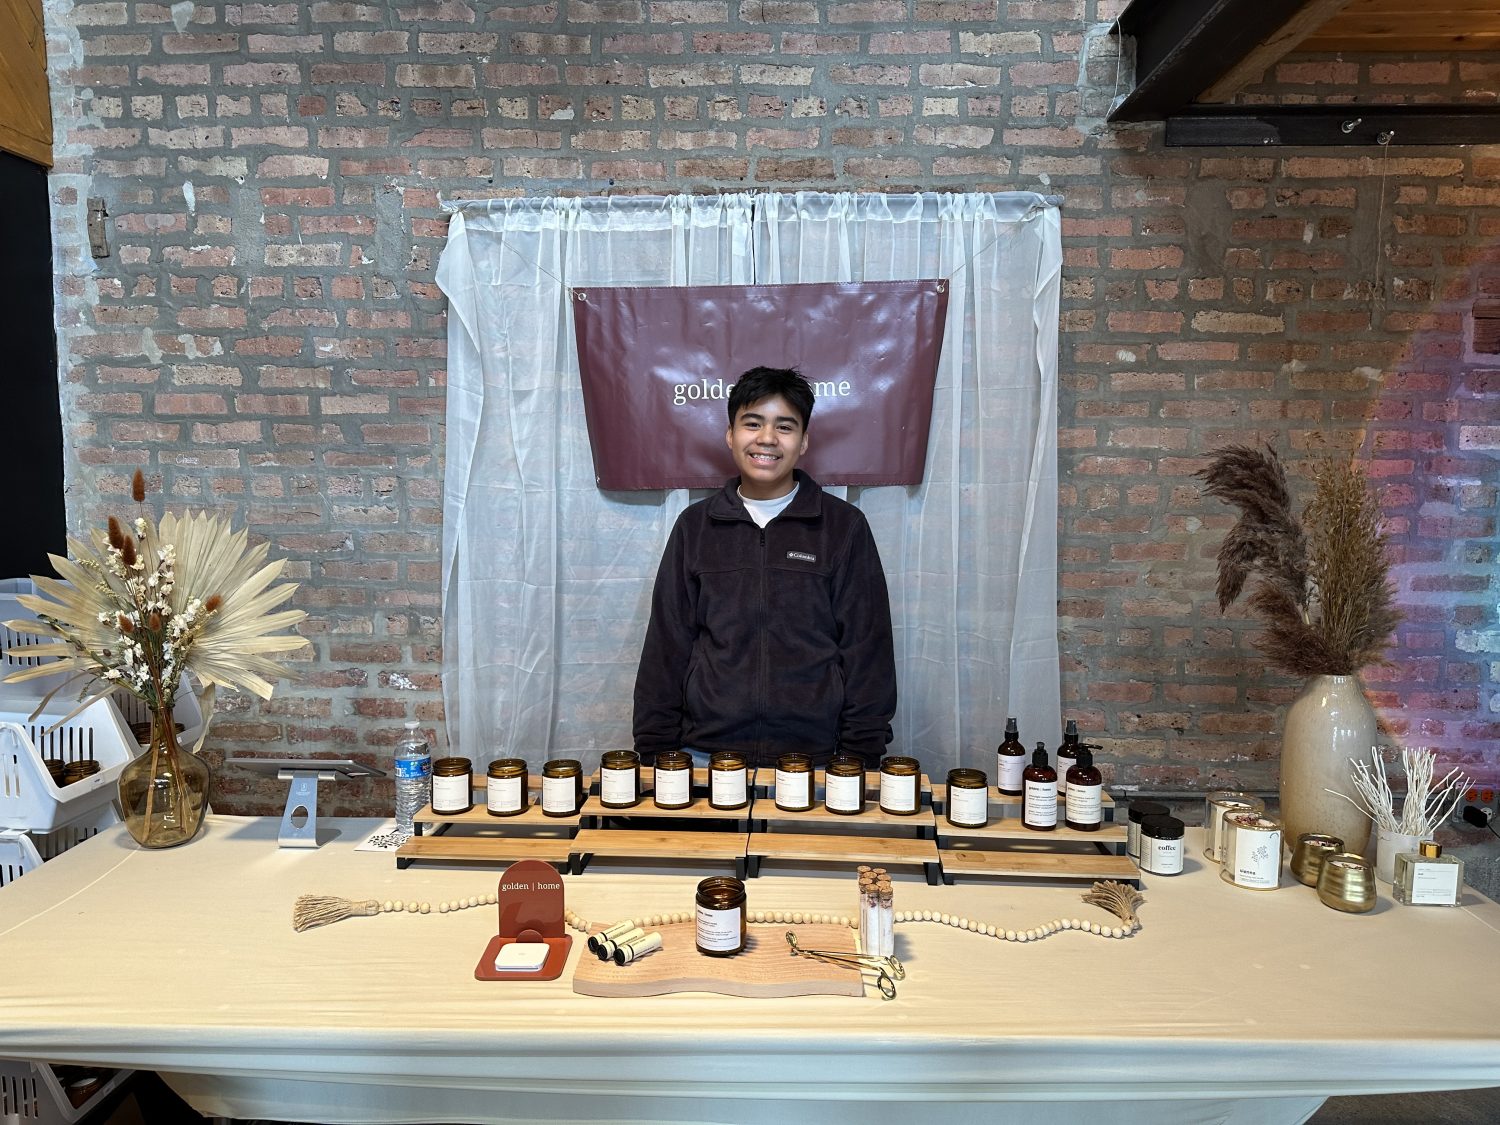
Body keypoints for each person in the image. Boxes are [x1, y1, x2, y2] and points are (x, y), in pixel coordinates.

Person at [633, 366, 897, 768]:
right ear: (730, 435)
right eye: (752, 423)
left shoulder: (843, 527)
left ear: (804, 441)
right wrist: (655, 750)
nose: (767, 439)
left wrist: (859, 754)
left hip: (817, 760)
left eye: (784, 427)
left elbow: (868, 649)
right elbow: (667, 645)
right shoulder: (696, 527)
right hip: (704, 755)